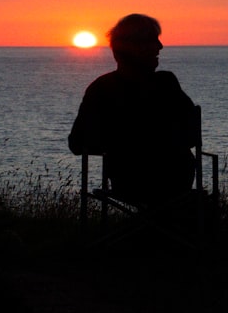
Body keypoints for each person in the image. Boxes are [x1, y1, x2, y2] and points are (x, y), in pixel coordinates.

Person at [68, 13, 197, 207]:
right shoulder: (166, 84)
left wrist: (116, 144)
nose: (160, 47)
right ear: (135, 47)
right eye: (153, 41)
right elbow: (193, 136)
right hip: (175, 186)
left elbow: (77, 145)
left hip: (128, 187)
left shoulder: (100, 89)